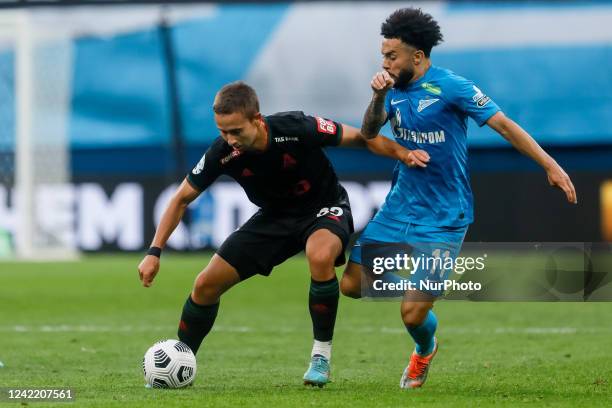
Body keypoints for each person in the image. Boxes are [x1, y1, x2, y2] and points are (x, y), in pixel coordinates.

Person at [339, 7, 577, 389]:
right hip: (400, 207)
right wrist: (376, 97)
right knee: (351, 286)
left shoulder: (452, 87)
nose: (384, 62)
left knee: (412, 315)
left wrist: (551, 165)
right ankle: (423, 279)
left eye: (391, 55)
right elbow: (368, 132)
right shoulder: (392, 91)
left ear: (416, 56)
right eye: (382, 54)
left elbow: (504, 125)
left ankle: (424, 348)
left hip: (445, 214)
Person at [137, 81, 426, 387]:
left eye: (236, 131)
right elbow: (180, 198)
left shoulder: (296, 127)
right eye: (223, 131)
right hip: (274, 219)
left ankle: (321, 356)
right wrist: (154, 252)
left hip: (324, 208)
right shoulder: (222, 153)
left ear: (257, 119)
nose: (230, 139)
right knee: (205, 284)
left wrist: (404, 154)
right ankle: (184, 362)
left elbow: (362, 138)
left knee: (319, 256)